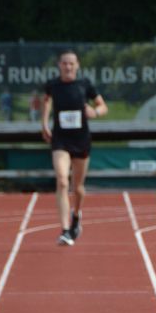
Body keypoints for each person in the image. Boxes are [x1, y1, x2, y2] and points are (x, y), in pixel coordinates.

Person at [42, 50, 108, 246]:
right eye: (64, 63)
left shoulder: (85, 84)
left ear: (77, 65)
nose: (68, 67)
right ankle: (65, 230)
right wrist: (44, 124)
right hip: (60, 140)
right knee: (62, 181)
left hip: (81, 140)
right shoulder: (52, 85)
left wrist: (95, 112)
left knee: (77, 187)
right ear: (59, 65)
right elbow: (46, 102)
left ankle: (76, 215)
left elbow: (103, 106)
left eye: (71, 63)